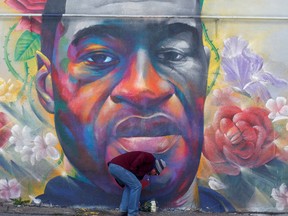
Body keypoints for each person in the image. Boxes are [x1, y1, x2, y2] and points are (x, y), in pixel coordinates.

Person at [35, 0, 234, 212]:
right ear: (48, 87)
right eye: (99, 57)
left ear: (204, 75)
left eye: (173, 55)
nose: (143, 90)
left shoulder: (219, 206)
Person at [108, 151, 166, 216]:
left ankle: (123, 210)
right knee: (137, 186)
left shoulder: (143, 171)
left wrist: (135, 201)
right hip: (118, 166)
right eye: (155, 174)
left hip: (113, 166)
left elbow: (135, 185)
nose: (153, 175)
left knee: (130, 186)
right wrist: (133, 168)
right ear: (155, 169)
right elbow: (142, 156)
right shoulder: (151, 159)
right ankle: (133, 213)